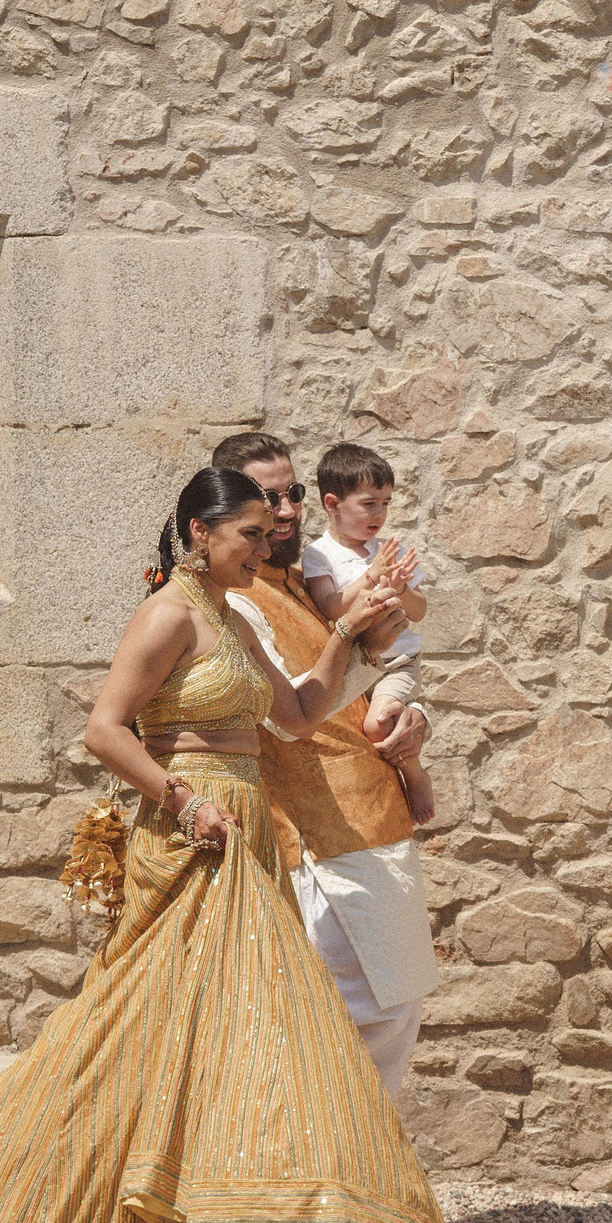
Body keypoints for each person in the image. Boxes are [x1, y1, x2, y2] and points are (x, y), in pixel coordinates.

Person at [0, 467, 456, 1223]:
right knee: (142, 1021)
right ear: (200, 534)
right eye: (248, 531)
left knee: (241, 1027)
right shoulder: (168, 613)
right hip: (190, 834)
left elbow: (301, 710)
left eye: (265, 531)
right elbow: (105, 728)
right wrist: (184, 796)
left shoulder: (232, 616)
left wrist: (346, 631)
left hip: (244, 835)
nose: (265, 541)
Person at [214, 432, 443, 1100]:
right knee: (351, 1019)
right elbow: (289, 712)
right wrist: (356, 638)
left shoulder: (303, 579)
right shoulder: (237, 600)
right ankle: (328, 1188)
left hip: (375, 815)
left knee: (396, 1008)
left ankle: (362, 1187)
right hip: (316, 839)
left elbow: (379, 670)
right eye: (268, 498)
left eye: (292, 493)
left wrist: (415, 717)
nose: (287, 510)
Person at [301, 442, 436, 823]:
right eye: (369, 503)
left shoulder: (392, 550)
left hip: (397, 664)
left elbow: (420, 612)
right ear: (332, 504)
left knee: (377, 724)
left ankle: (415, 775)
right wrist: (372, 575)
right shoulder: (318, 555)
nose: (380, 513)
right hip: (356, 667)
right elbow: (331, 605)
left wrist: (403, 589)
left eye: (386, 503)